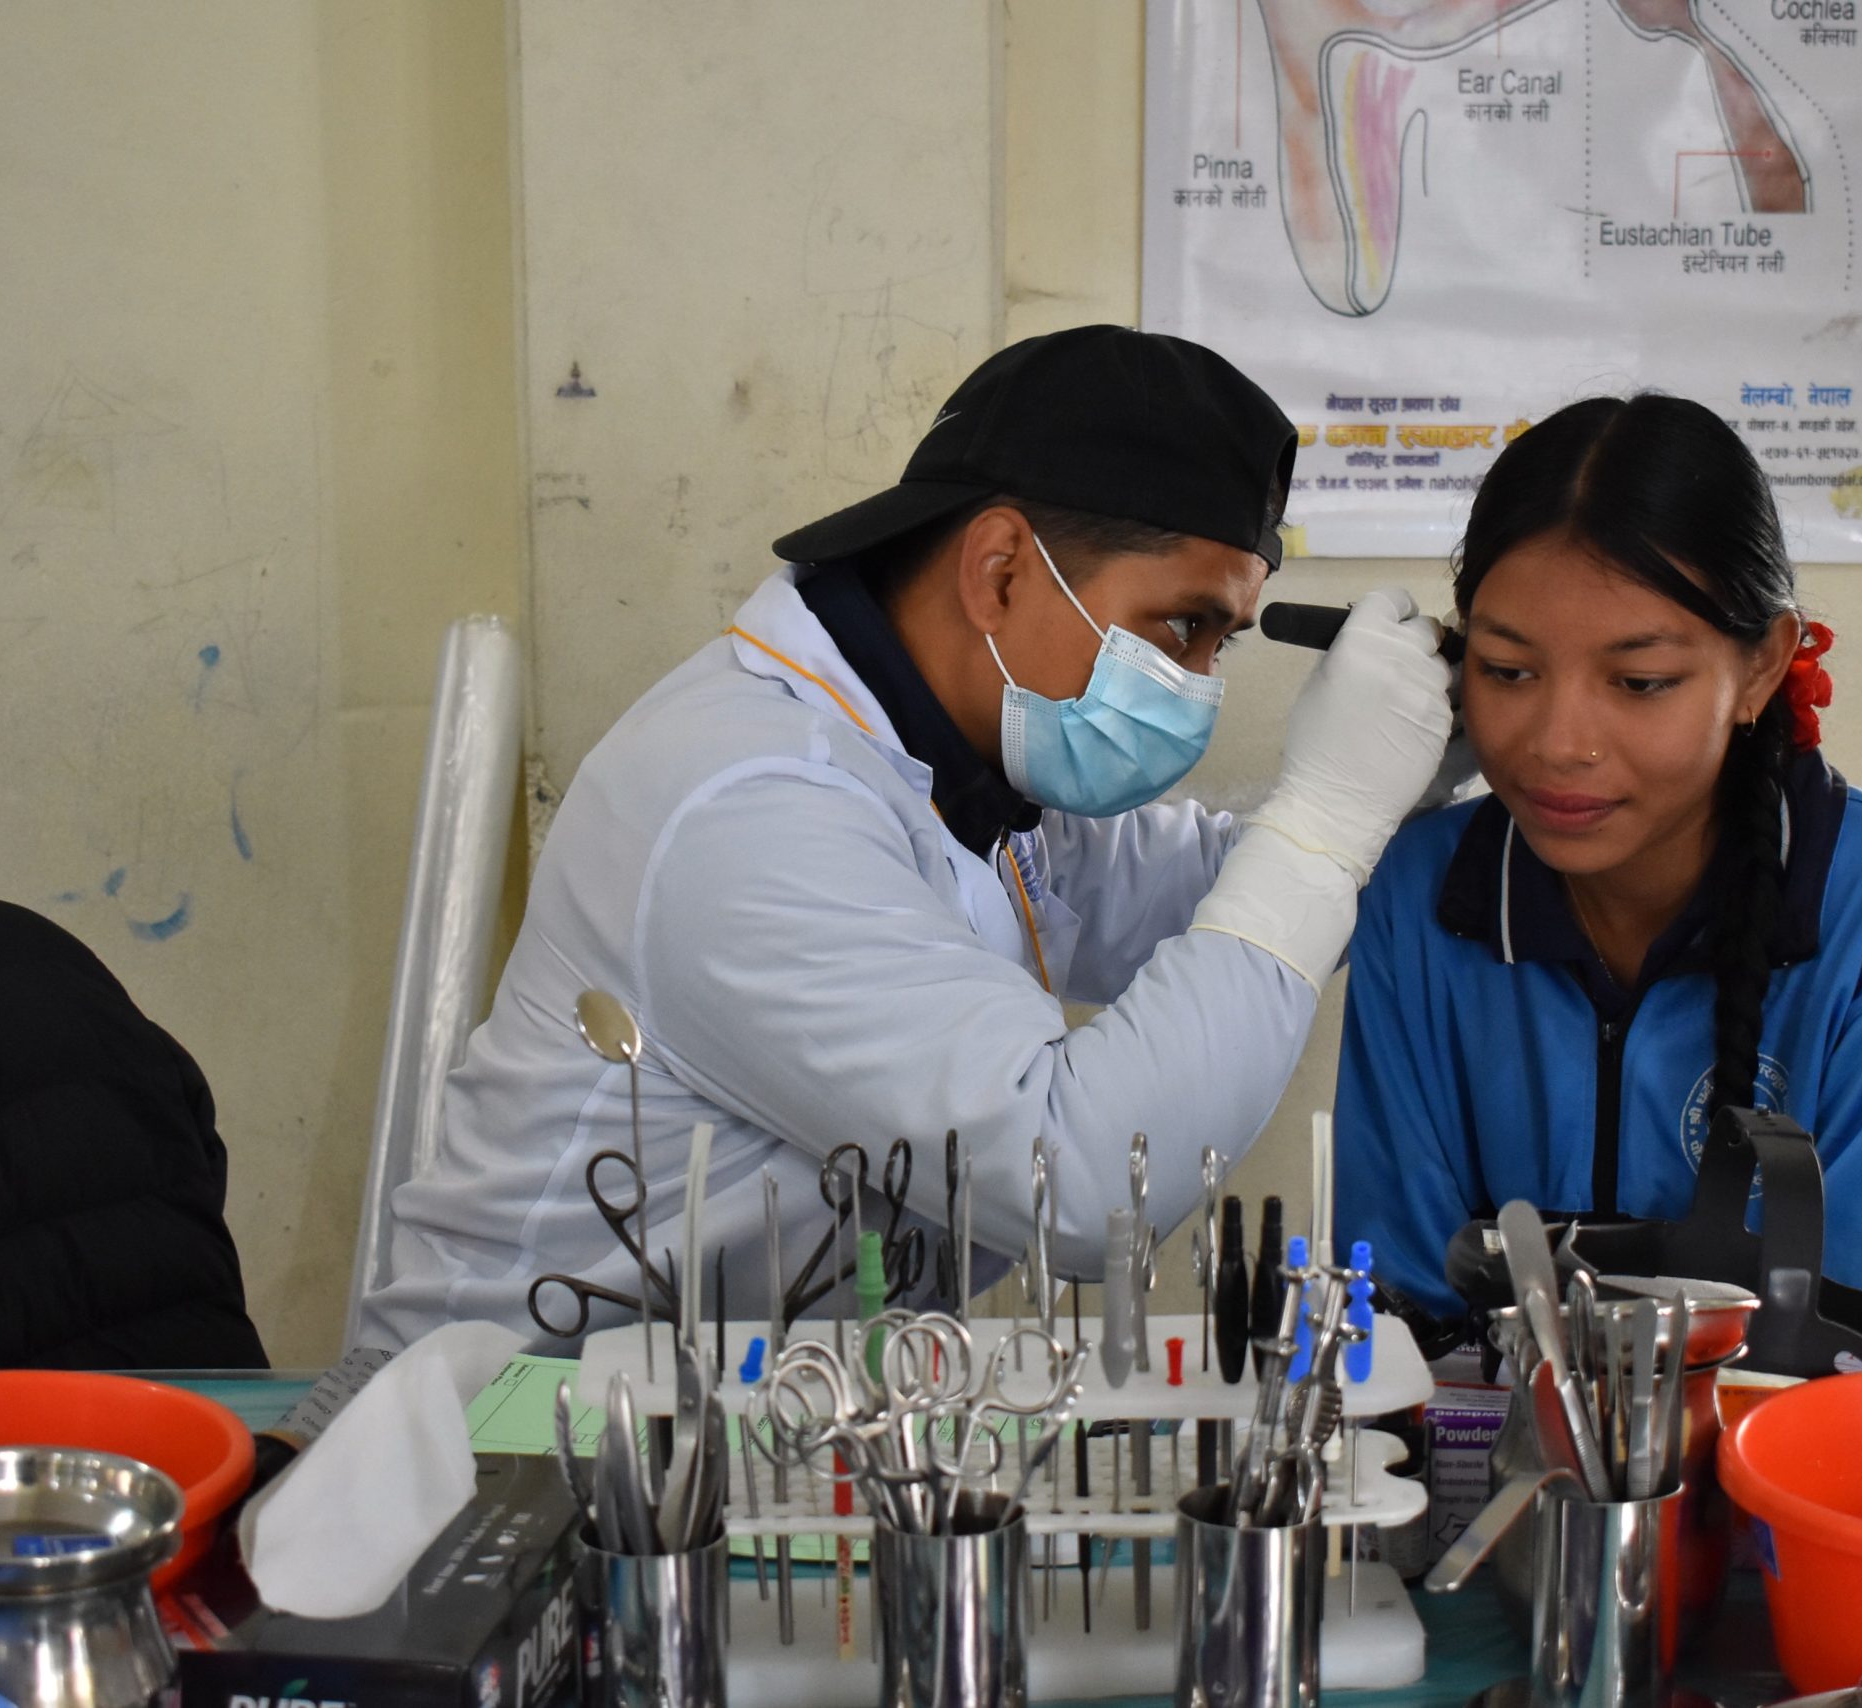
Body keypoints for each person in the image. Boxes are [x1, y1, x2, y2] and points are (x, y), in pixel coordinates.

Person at [362, 326, 1453, 1349]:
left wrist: (1416, 781)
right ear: (999, 570)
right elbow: (1080, 1185)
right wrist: (1327, 818)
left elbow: (1192, 898)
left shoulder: (954, 755)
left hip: (740, 1403)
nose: (1199, 683)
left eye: (1222, 641)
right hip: (498, 1418)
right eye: (1182, 627)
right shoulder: (751, 806)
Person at [1334, 393, 1862, 1320]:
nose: (1559, 743)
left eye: (1640, 682)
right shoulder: (1419, 892)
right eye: (1507, 671)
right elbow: (1400, 1311)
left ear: (1762, 667)